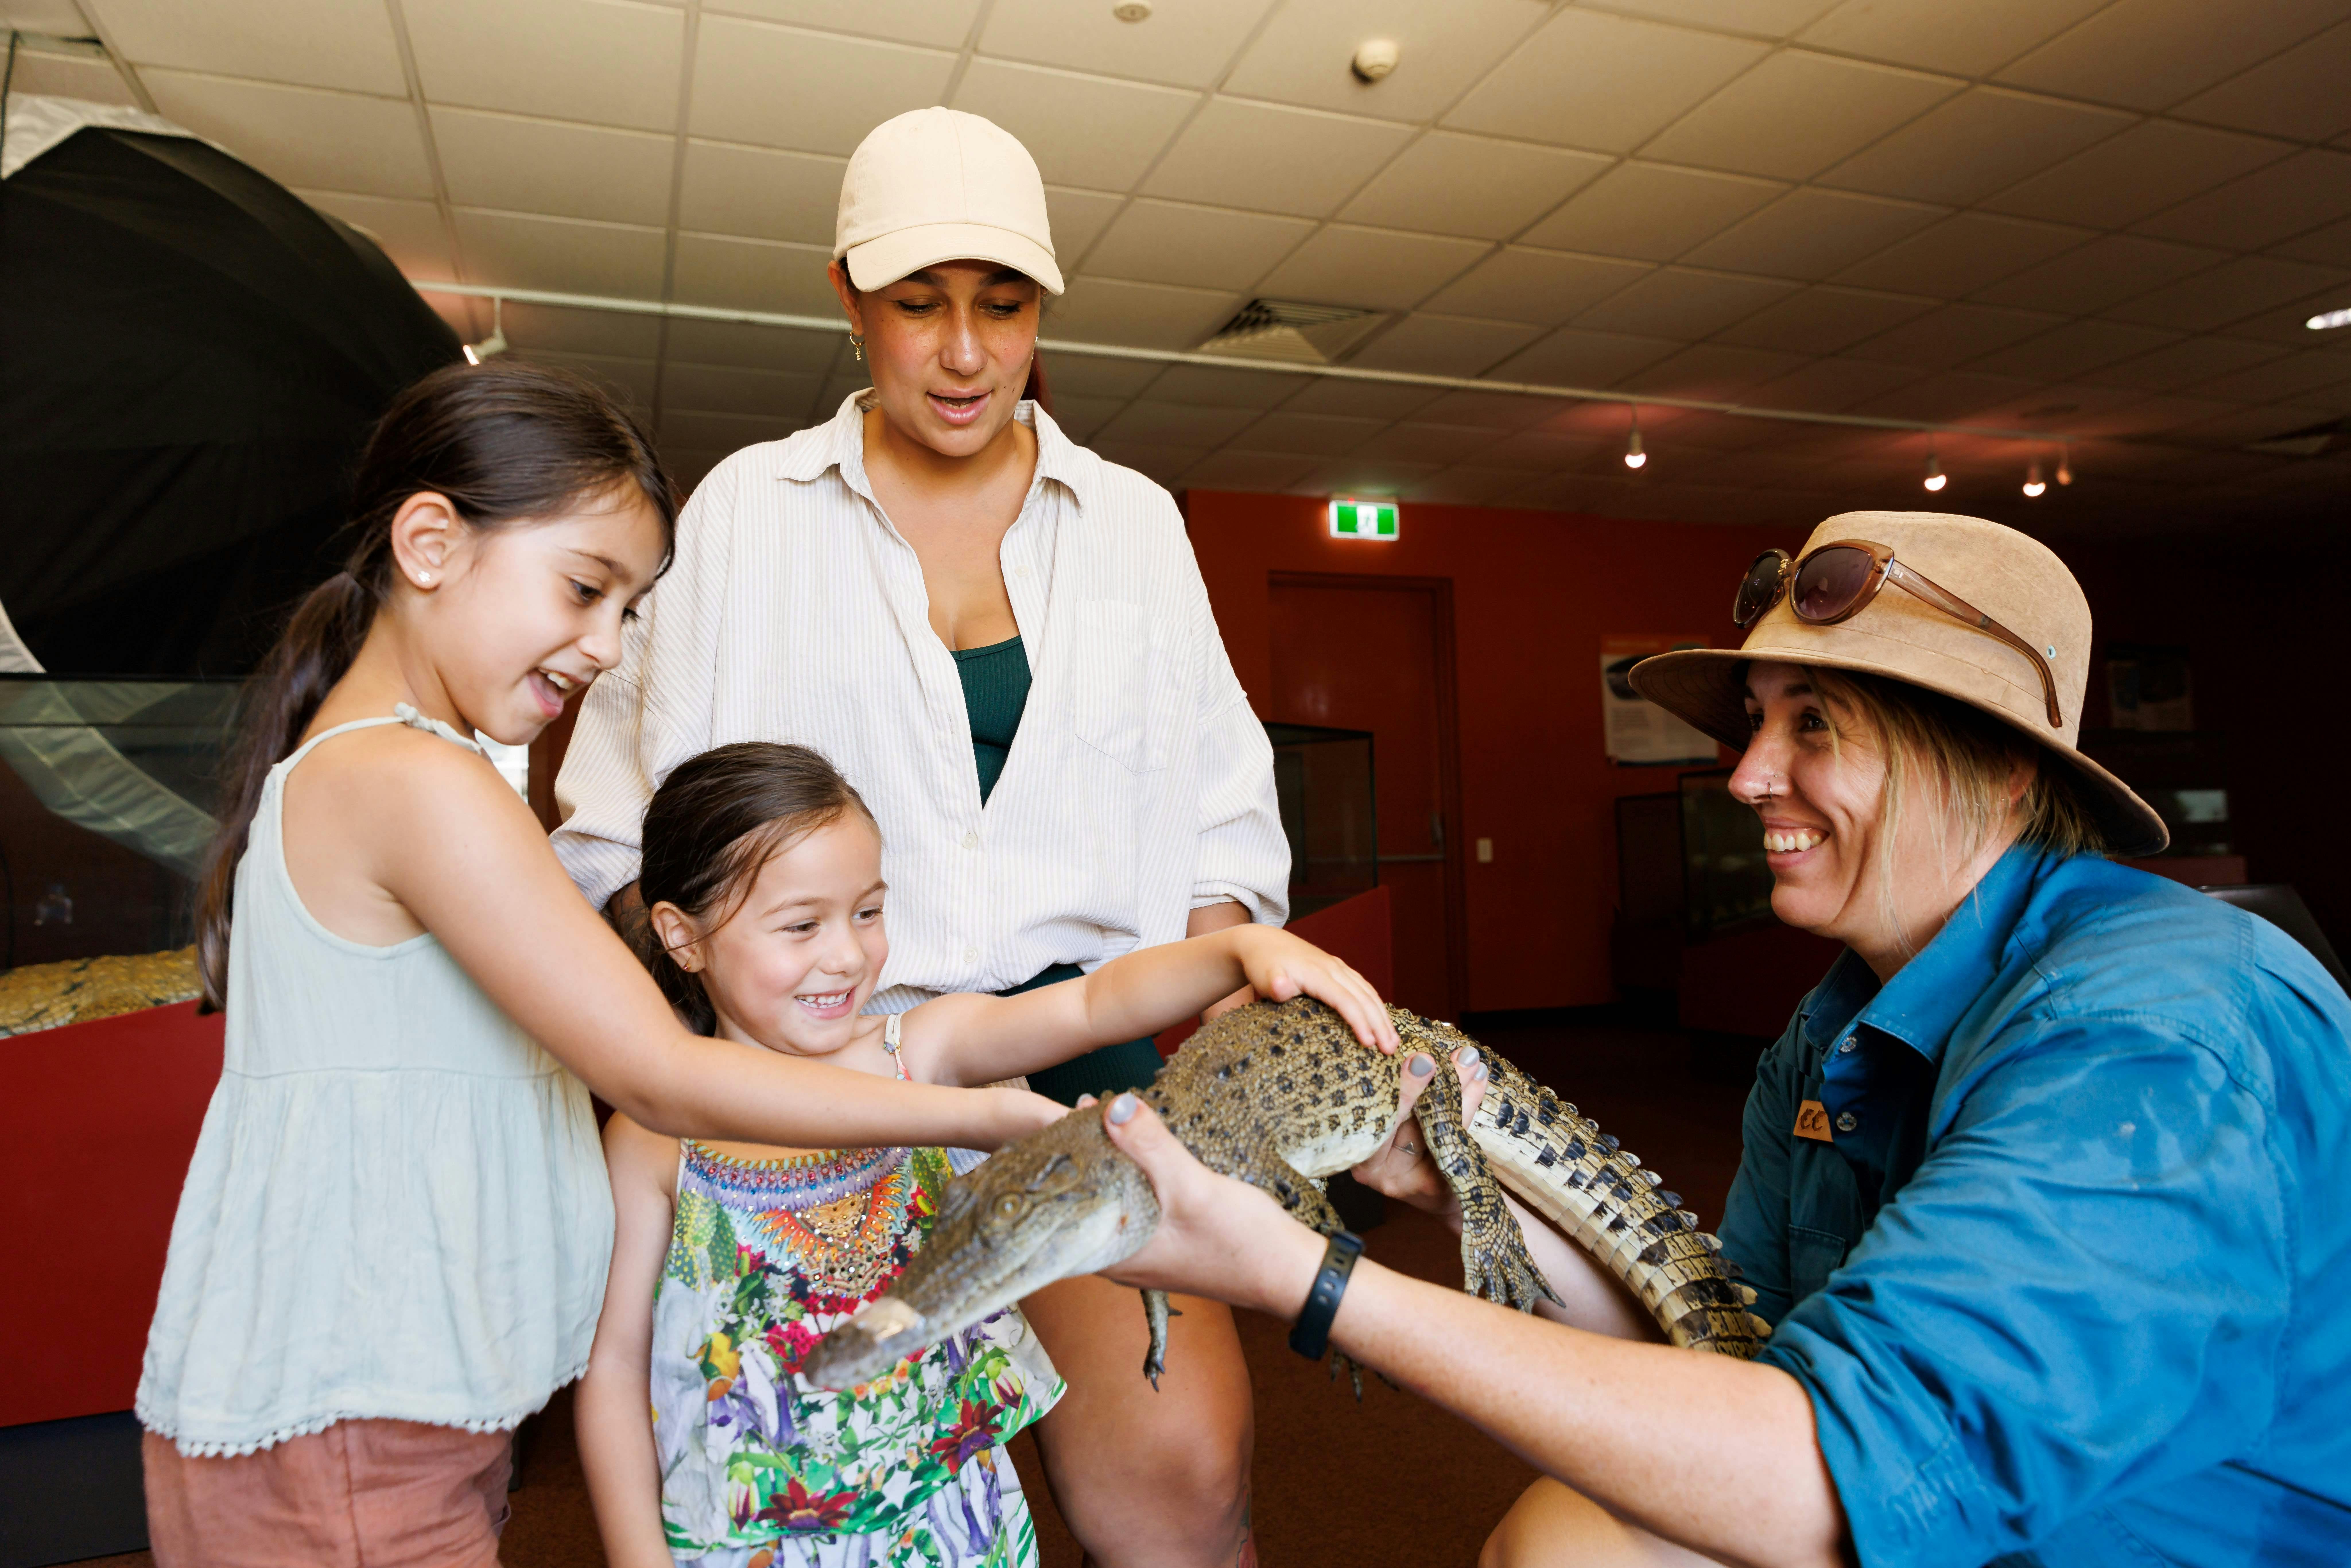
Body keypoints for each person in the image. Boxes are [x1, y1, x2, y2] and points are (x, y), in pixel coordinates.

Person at [1067, 512, 2351, 1567]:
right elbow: (1723, 1348)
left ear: (2000, 772)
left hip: (2157, 1538)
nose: (1743, 775)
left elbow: (1828, 1479)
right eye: (1755, 720)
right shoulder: (1834, 1026)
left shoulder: (2154, 1034)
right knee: (1562, 1546)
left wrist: (1313, 1279)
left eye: (1815, 724)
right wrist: (1454, 1184)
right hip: (1947, 1505)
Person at [137, 363, 1069, 1567]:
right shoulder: (413, 780)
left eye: (629, 609)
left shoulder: (388, 767)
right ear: (430, 542)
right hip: (349, 1418)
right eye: (585, 588)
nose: (606, 645)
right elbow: (660, 1074)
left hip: (380, 1411)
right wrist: (987, 1116)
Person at [553, 108, 1287, 1565]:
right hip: (814, 1074)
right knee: (831, 1475)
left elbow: (1224, 841)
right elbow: (616, 843)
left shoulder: (1135, 525)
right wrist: (727, 1048)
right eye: (917, 304)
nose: (963, 353)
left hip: (1076, 1054)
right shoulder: (744, 515)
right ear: (848, 299)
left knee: (1183, 1477)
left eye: (1001, 306)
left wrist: (1211, 1087)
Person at [575, 741, 1393, 1567]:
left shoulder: (913, 1051)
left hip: (956, 1529)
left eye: (868, 912)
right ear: (683, 937)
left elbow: (1092, 1003)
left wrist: (1238, 951)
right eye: (802, 925)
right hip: (751, 1544)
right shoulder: (653, 1142)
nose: (848, 956)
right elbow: (614, 1370)